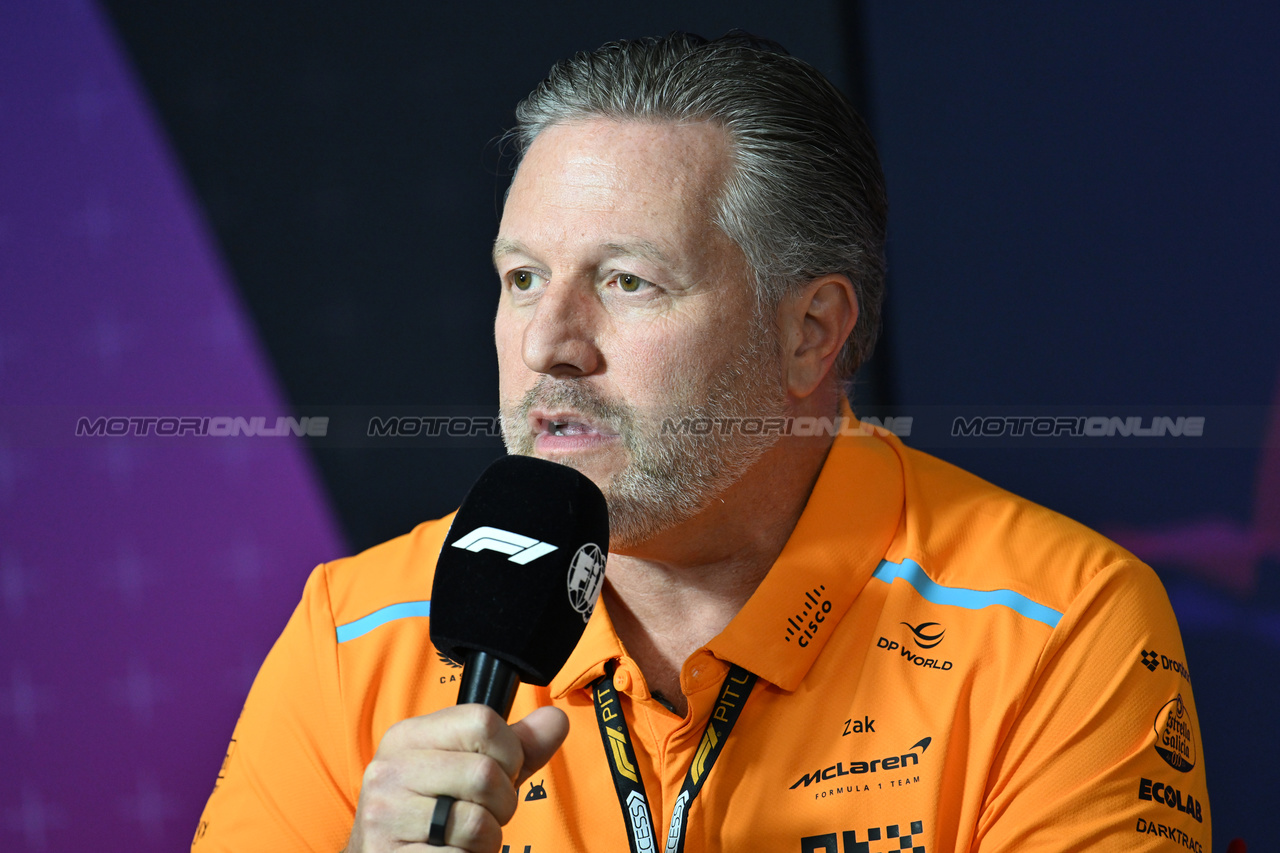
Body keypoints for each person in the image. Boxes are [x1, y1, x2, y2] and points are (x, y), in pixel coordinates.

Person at [194, 33, 1211, 853]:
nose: (549, 345)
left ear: (808, 331)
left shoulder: (1056, 624)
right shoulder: (355, 630)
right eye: (520, 279)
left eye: (626, 281)